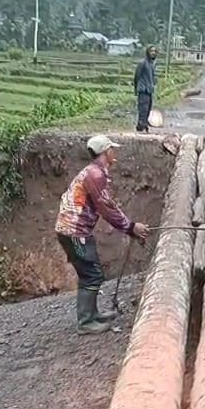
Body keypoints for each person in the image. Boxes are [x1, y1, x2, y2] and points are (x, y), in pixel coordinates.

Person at [54, 135, 151, 334]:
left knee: (90, 272)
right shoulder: (95, 175)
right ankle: (86, 322)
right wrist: (131, 227)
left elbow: (106, 206)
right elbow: (106, 207)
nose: (114, 152)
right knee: (91, 274)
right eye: (112, 150)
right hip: (74, 231)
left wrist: (128, 227)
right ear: (106, 152)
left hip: (73, 230)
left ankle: (93, 314)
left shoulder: (93, 172)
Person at [134, 46, 158, 132]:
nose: (153, 53)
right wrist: (136, 89)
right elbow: (137, 76)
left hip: (149, 90)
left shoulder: (152, 64)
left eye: (155, 51)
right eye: (151, 51)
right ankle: (141, 125)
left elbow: (152, 77)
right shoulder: (142, 63)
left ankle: (141, 126)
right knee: (143, 109)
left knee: (148, 109)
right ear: (147, 52)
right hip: (143, 90)